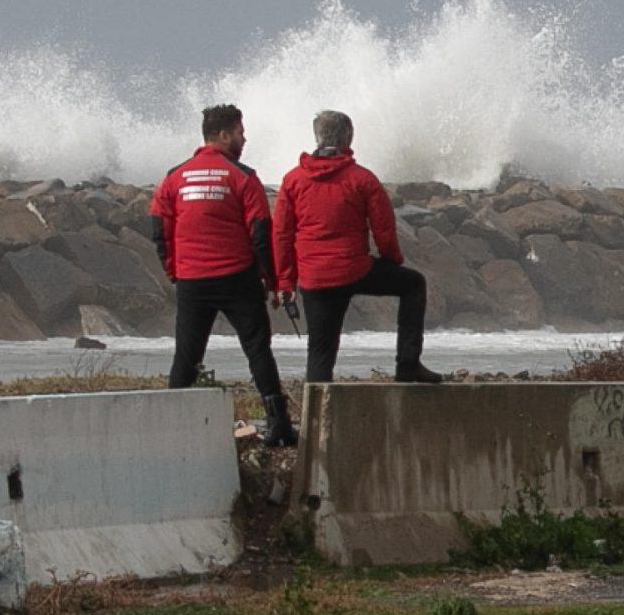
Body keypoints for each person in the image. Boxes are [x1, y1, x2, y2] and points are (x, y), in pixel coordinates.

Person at [151, 103, 297, 447]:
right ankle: (278, 425)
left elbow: (160, 228)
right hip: (237, 278)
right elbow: (261, 232)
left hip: (192, 280)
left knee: (186, 356)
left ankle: (171, 431)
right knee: (258, 350)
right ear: (222, 134)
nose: (244, 138)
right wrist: (273, 281)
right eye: (240, 132)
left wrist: (175, 271)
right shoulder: (243, 176)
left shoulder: (175, 176)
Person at [275, 110, 443, 386]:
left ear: (316, 137)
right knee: (413, 284)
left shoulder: (293, 180)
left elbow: (281, 234)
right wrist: (391, 260)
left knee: (320, 351)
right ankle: (408, 364)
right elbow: (384, 228)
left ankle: (314, 420)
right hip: (354, 269)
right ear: (349, 137)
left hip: (315, 276)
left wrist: (285, 280)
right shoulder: (361, 179)